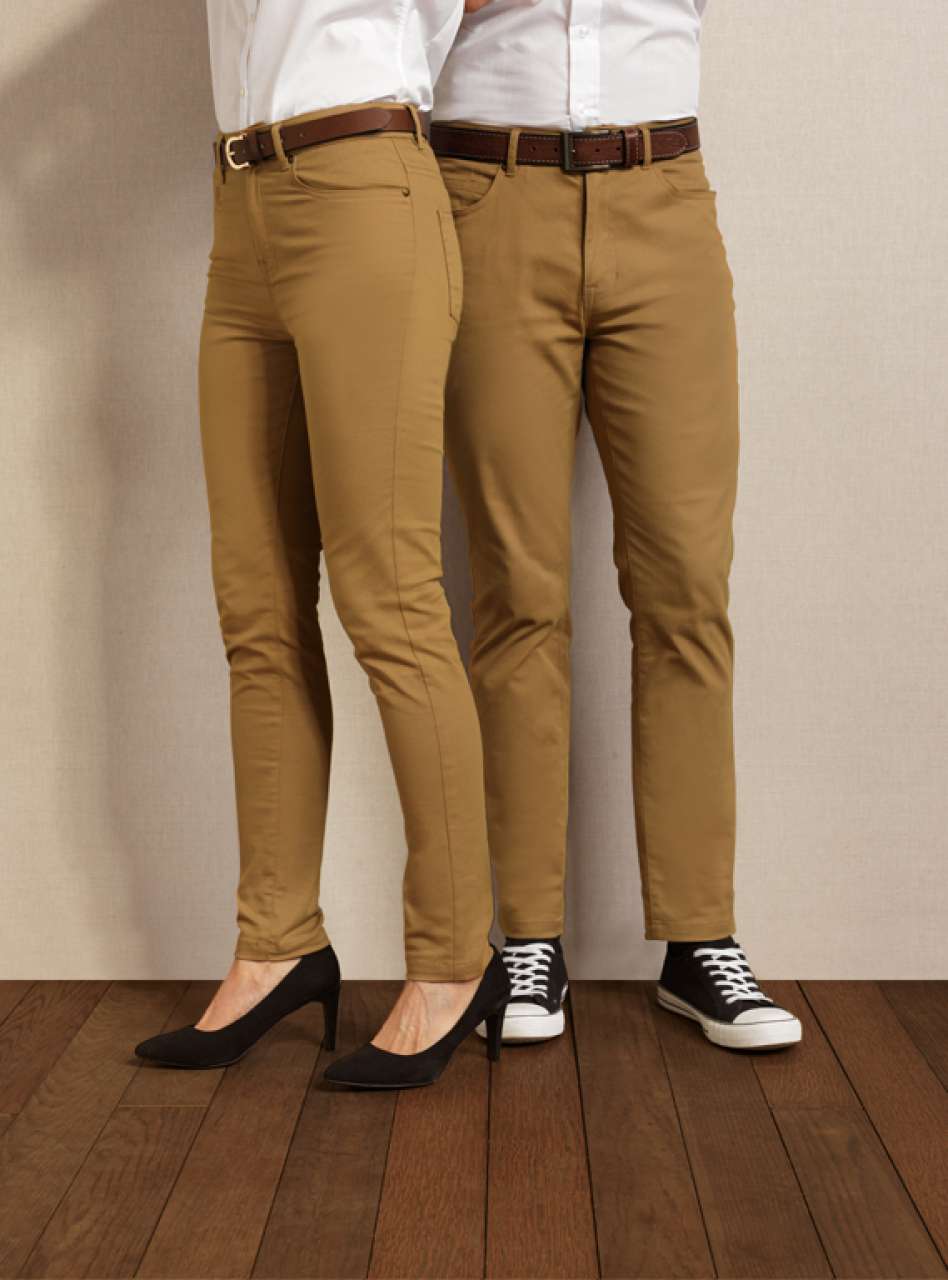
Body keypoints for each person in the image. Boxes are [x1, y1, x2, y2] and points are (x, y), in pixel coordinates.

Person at [134, 1, 511, 1090]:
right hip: (240, 201)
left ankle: (454, 960)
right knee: (255, 605)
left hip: (364, 183)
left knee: (389, 596)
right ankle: (277, 943)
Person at [432, 0, 802, 1051]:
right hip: (486, 191)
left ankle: (700, 940)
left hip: (663, 192)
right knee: (518, 591)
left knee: (687, 585)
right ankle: (526, 940)